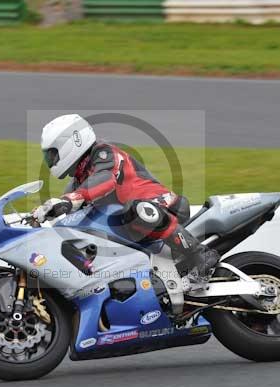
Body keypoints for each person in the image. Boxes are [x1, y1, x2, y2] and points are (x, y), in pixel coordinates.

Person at [33, 114, 220, 284]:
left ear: (72, 142)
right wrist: (46, 216)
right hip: (131, 225)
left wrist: (69, 200)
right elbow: (68, 210)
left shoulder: (104, 153)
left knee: (136, 211)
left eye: (53, 154)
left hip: (162, 204)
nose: (51, 160)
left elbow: (105, 179)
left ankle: (200, 254)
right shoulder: (79, 180)